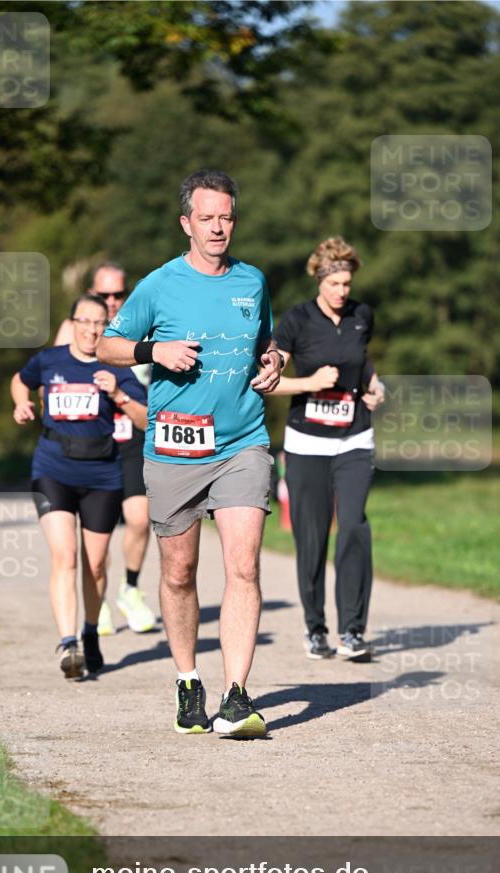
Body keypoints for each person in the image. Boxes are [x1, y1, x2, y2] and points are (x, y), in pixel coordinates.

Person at [97, 169, 282, 738]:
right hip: (175, 447)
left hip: (243, 442)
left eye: (226, 217)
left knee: (243, 565)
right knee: (179, 572)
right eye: (207, 218)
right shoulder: (159, 285)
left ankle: (236, 696)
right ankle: (187, 680)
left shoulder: (252, 281)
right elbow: (106, 345)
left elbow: (266, 343)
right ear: (187, 223)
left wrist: (274, 362)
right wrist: (155, 350)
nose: (218, 227)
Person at [11, 293, 148, 679]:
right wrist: (21, 403)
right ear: (72, 324)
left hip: (103, 474)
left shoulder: (116, 366)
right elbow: (20, 381)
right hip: (52, 468)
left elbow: (144, 420)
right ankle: (68, 643)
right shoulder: (50, 360)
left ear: (108, 326)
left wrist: (118, 395)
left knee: (95, 564)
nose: (92, 330)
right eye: (84, 321)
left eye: (100, 323)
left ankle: (89, 631)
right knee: (65, 556)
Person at [272, 237, 385, 660]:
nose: (342, 291)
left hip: (355, 438)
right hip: (307, 443)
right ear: (319, 280)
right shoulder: (296, 321)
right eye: (334, 283)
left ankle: (352, 631)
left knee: (353, 526)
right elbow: (268, 381)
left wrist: (374, 386)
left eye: (347, 284)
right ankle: (315, 627)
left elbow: (362, 362)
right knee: (312, 537)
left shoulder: (361, 316)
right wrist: (309, 383)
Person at [55, 262, 156, 635]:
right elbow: (54, 377)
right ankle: (97, 598)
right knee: (98, 530)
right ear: (90, 294)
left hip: (133, 435)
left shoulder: (143, 323)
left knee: (140, 519)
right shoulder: (72, 328)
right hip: (90, 440)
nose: (112, 301)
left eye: (118, 294)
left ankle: (130, 588)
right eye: (104, 294)